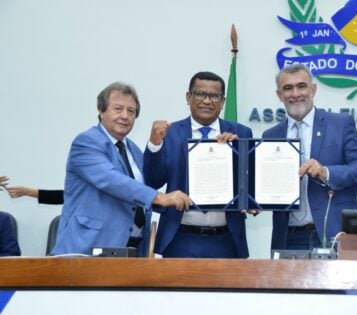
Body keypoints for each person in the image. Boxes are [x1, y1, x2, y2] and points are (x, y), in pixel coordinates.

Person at [51, 82, 192, 256]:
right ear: (101, 111)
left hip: (133, 249)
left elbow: (144, 190)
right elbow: (111, 180)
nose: (125, 116)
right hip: (88, 248)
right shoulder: (86, 142)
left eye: (131, 111)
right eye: (118, 109)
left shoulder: (133, 150)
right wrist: (161, 198)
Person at [262, 64, 357, 251]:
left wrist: (326, 172)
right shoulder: (270, 136)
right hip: (289, 238)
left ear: (313, 90)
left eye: (302, 86)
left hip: (334, 235)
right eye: (288, 88)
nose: (295, 93)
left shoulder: (340, 124)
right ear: (279, 95)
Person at [143, 71, 252, 258]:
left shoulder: (240, 133)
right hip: (180, 238)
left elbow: (250, 184)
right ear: (188, 97)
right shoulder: (169, 133)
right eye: (200, 94)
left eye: (214, 96)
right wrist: (154, 145)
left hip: (227, 239)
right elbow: (153, 181)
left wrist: (234, 153)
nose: (207, 101)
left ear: (223, 101)